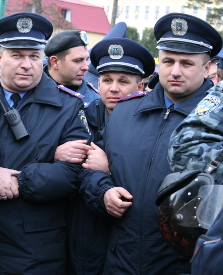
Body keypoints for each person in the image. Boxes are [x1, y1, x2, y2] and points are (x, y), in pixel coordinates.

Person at [78, 13, 222, 275]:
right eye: (168, 61)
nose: (175, 71)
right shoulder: (124, 113)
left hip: (184, 264)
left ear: (207, 67)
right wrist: (103, 191)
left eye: (186, 63)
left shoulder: (216, 122)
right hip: (121, 260)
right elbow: (91, 171)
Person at [0, 12, 91, 274]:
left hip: (35, 248)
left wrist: (19, 181)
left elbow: (73, 173)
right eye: (17, 55)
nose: (26, 65)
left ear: (44, 59)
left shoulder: (68, 106)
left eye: (34, 56)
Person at [55, 37, 155, 275]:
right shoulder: (79, 117)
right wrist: (56, 153)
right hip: (79, 229)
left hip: (126, 234)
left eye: (123, 81)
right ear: (97, 83)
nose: (114, 88)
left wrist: (110, 169)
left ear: (140, 87)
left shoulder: (152, 125)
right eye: (107, 80)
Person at [44, 30, 100, 108]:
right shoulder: (29, 90)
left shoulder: (95, 99)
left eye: (86, 60)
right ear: (55, 62)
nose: (86, 67)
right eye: (78, 60)